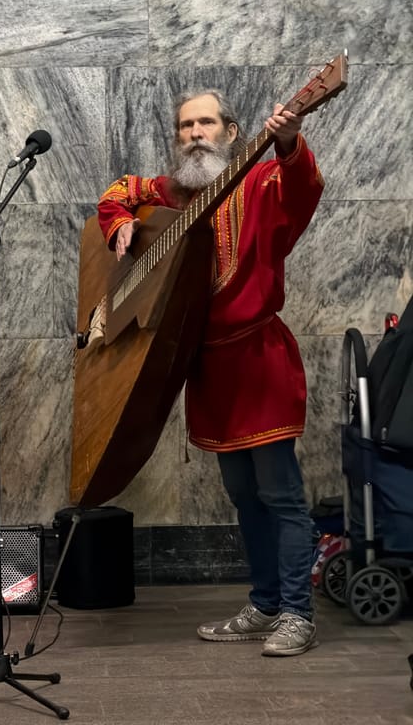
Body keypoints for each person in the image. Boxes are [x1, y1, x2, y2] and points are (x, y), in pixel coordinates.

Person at [97, 90, 323, 657]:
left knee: (281, 495)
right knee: (243, 496)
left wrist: (291, 140)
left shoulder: (262, 183)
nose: (195, 133)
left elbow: (302, 188)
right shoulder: (172, 193)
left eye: (206, 123)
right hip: (207, 368)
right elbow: (119, 192)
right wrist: (120, 223)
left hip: (257, 360)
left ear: (230, 130)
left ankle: (298, 613)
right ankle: (266, 603)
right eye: (185, 126)